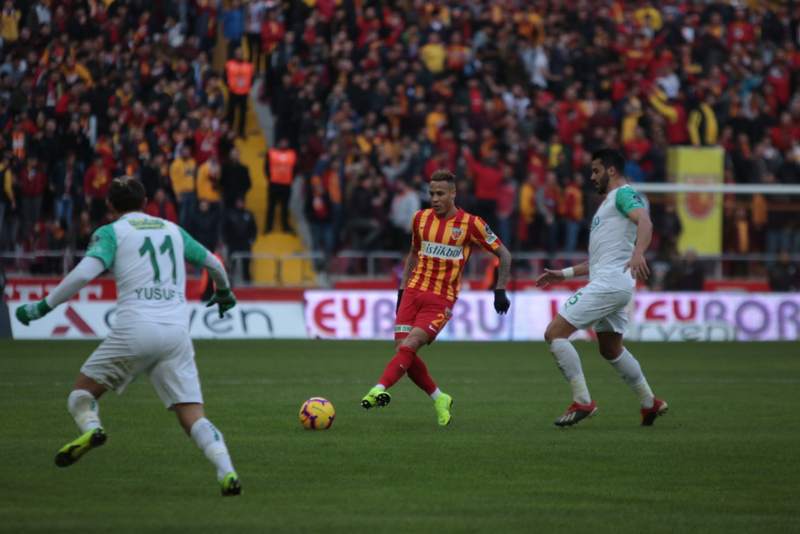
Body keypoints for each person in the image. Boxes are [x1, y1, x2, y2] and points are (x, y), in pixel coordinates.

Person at [15, 177, 242, 496]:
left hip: (135, 329)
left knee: (81, 395)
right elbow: (214, 262)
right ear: (145, 202)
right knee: (193, 417)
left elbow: (82, 274)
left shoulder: (111, 232)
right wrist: (224, 291)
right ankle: (226, 471)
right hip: (176, 333)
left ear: (109, 205)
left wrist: (42, 307)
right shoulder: (172, 230)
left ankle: (93, 429)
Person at [360, 169, 512, 426]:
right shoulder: (420, 219)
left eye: (440, 193)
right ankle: (440, 398)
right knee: (402, 350)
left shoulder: (471, 223)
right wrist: (401, 290)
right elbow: (413, 253)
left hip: (441, 298)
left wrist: (500, 290)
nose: (434, 198)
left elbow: (504, 254)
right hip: (412, 292)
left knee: (411, 344)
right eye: (431, 193)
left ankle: (379, 388)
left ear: (453, 194)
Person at [536, 149, 667, 427]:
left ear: (611, 170)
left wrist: (639, 253)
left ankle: (583, 401)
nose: (591, 176)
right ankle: (649, 402)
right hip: (613, 282)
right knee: (611, 349)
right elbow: (599, 260)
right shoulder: (610, 204)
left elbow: (645, 221)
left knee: (554, 333)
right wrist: (564, 274)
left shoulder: (623, 195)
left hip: (609, 284)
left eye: (595, 171)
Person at [222, 197, 257, 282]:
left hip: (245, 242)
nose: (240, 204)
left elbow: (254, 227)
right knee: (232, 263)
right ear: (236, 203)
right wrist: (226, 240)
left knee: (246, 262)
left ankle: (247, 280)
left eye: (242, 202)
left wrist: (252, 239)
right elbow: (224, 228)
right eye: (239, 202)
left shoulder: (248, 214)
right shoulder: (230, 214)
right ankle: (231, 280)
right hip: (233, 242)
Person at [265, 138, 296, 233]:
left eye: (286, 142)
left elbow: (295, 168)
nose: (284, 144)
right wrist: (271, 178)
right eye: (282, 142)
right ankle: (268, 227)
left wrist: (290, 178)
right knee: (271, 206)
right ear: (278, 142)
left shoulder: (292, 154)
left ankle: (285, 226)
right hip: (274, 184)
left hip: (286, 185)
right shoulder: (271, 152)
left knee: (285, 207)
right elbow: (266, 167)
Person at [225, 47, 253, 138]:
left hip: (244, 93)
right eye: (238, 53)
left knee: (243, 113)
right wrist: (230, 86)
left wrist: (248, 86)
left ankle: (241, 131)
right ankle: (229, 130)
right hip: (233, 92)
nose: (240, 55)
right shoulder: (229, 64)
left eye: (241, 53)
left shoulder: (248, 65)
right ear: (234, 55)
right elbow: (224, 77)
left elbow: (252, 78)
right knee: (231, 112)